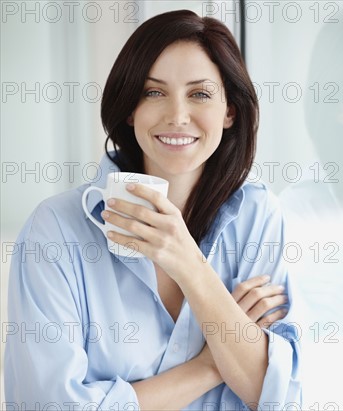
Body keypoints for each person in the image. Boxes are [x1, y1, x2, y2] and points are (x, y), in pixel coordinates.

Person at [4, 10, 301, 410]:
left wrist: (190, 266)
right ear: (131, 109)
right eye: (154, 92)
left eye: (200, 94)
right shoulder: (56, 230)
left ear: (229, 110)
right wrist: (213, 364)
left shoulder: (258, 216)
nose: (177, 116)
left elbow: (280, 397)